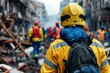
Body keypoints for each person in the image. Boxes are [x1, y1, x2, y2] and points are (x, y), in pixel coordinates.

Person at [40, 3, 110, 73]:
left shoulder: (56, 47)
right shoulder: (98, 45)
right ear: (83, 20)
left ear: (63, 20)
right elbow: (106, 70)